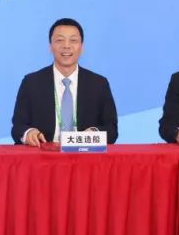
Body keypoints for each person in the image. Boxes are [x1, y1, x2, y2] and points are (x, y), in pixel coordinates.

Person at [11, 18, 119, 146]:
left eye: (73, 40)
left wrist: (94, 132)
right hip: (44, 153)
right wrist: (29, 132)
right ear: (50, 46)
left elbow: (112, 129)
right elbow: (18, 127)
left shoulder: (99, 84)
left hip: (85, 153)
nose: (66, 46)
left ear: (82, 47)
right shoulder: (31, 83)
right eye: (60, 40)